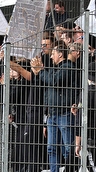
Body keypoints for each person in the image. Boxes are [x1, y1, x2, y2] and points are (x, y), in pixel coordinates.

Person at [29, 44, 79, 172]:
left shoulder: (68, 68)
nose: (51, 56)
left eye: (53, 53)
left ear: (60, 54)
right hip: (52, 115)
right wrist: (37, 71)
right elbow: (47, 89)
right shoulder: (54, 69)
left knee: (68, 148)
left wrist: (40, 70)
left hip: (64, 113)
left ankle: (71, 169)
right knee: (51, 148)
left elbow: (55, 81)